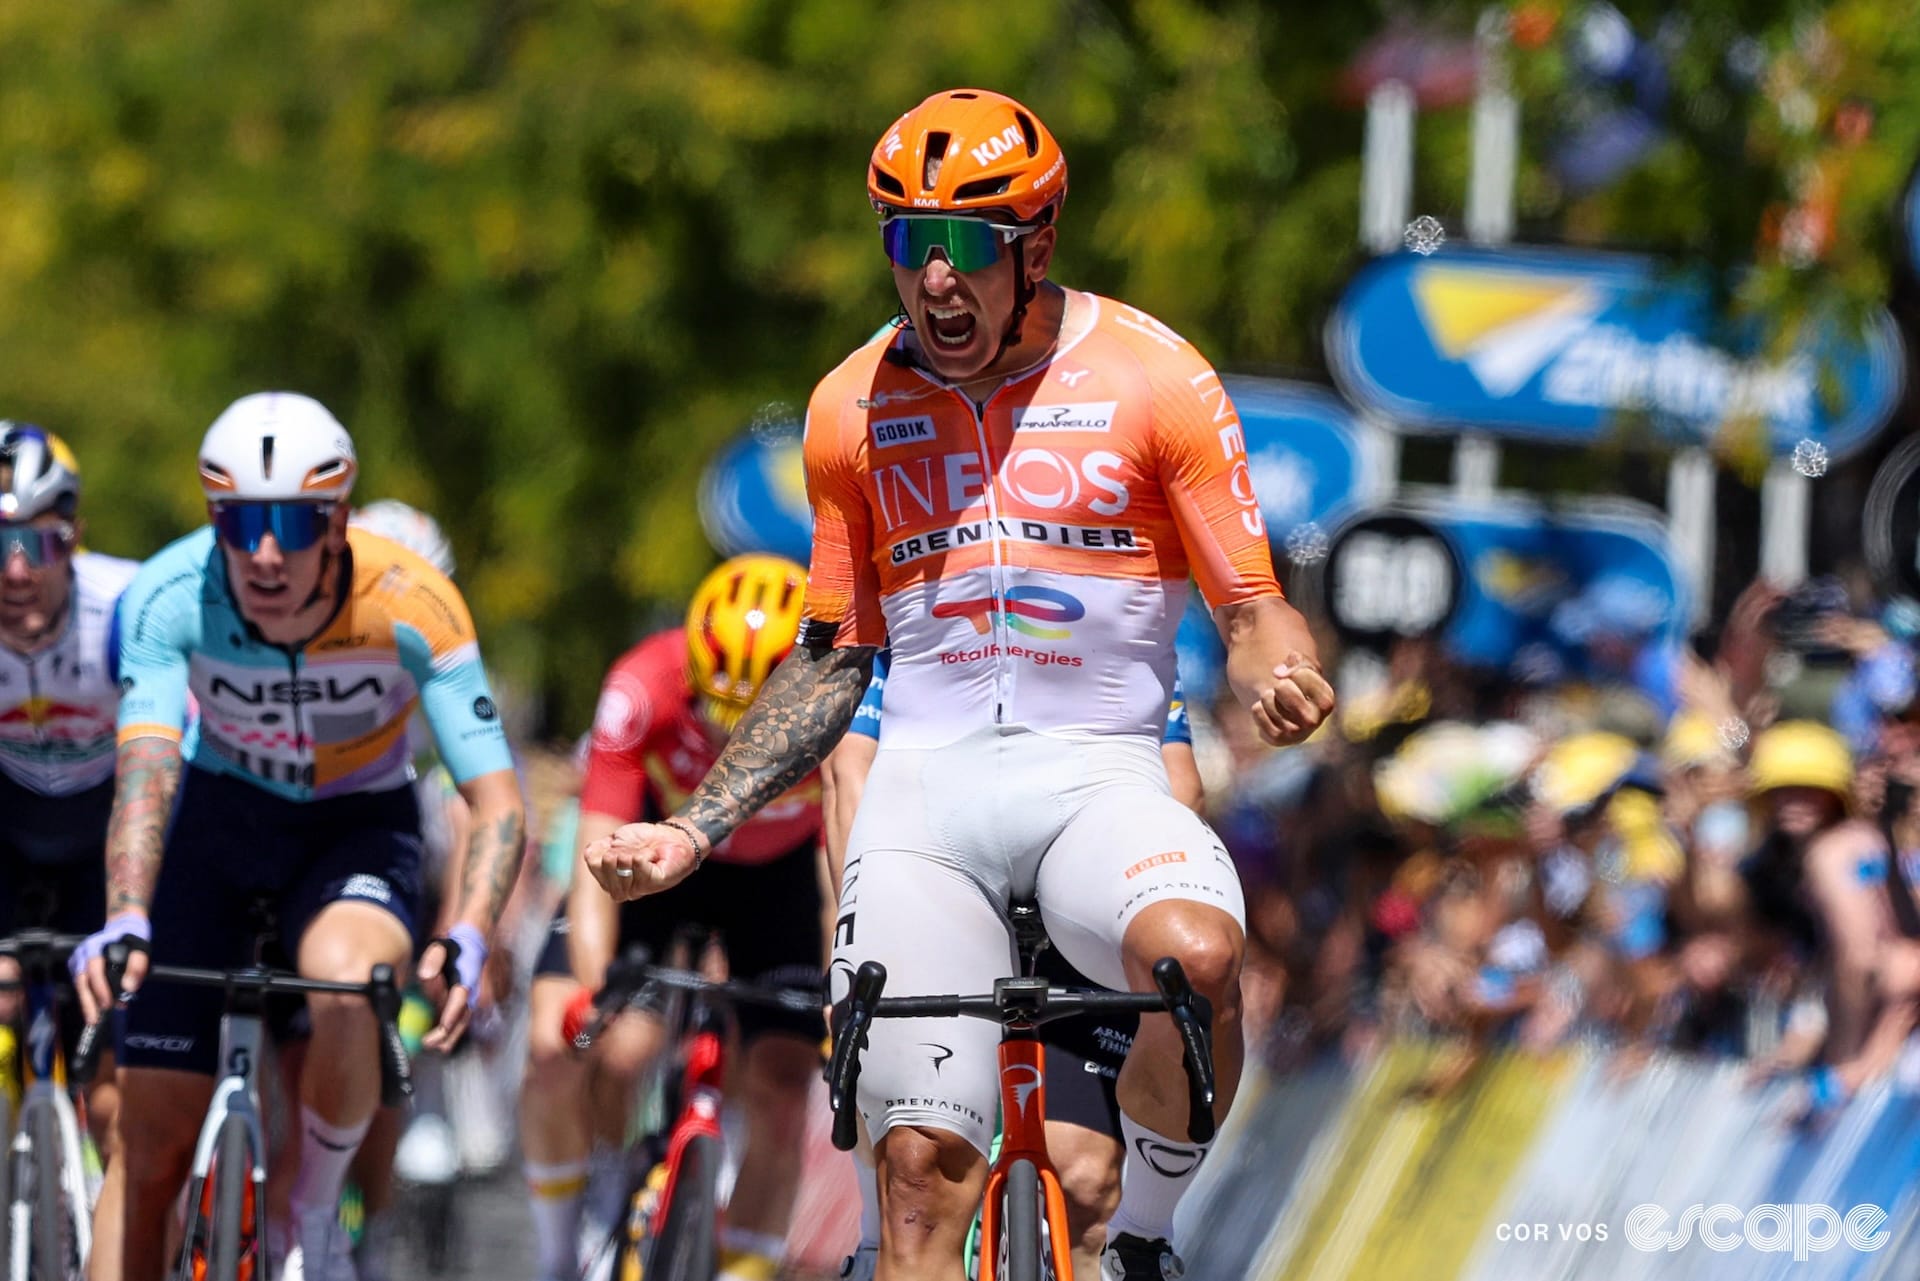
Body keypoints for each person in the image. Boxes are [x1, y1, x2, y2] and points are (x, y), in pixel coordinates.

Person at [584, 88, 1334, 1281]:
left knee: (1198, 958)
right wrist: (694, 828)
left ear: (1037, 242)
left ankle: (1141, 1234)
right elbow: (832, 653)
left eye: (969, 247)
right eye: (907, 242)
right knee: (923, 1181)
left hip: (1101, 778)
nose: (936, 279)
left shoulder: (1156, 377)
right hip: (928, 806)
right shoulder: (851, 406)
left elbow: (1251, 602)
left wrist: (1282, 666)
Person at [71, 392, 527, 1281]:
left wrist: (470, 929)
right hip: (217, 818)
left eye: (294, 521)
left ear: (340, 516)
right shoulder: (172, 591)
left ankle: (311, 1214)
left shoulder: (413, 602)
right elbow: (146, 775)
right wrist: (126, 911)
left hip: (352, 827)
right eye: (239, 524)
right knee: (148, 1150)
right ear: (213, 520)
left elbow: (496, 799)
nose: (267, 551)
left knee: (352, 983)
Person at [821, 653, 1204, 1280]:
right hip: (944, 885)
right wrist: (863, 927)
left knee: (1085, 1179)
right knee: (899, 1135)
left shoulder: (1109, 624)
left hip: (1078, 900)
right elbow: (848, 780)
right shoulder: (913, 632)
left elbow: (1179, 787)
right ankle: (872, 1240)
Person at [518, 553, 826, 1281]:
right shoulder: (643, 683)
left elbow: (841, 864)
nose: (728, 744)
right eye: (717, 717)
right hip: (652, 867)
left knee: (784, 1091)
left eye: (750, 723)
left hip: (778, 885)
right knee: (567, 1041)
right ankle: (564, 1247)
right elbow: (597, 855)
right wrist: (596, 993)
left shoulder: (836, 706)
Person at [0, 421, 135, 1154]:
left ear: (75, 536)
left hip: (105, 838)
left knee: (118, 1097)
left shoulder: (127, 605)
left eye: (39, 543)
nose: (16, 571)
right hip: (7, 830)